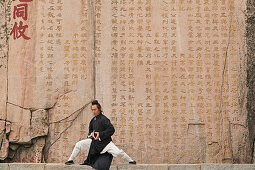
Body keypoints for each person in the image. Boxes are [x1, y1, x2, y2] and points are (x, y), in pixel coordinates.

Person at [65, 100, 136, 167]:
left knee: (118, 153)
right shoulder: (93, 120)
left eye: (95, 109)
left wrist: (100, 134)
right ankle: (70, 160)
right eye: (92, 110)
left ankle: (130, 160)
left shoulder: (104, 119)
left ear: (99, 108)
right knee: (79, 144)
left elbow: (112, 129)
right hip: (94, 143)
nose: (93, 111)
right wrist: (91, 135)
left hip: (106, 143)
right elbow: (90, 132)